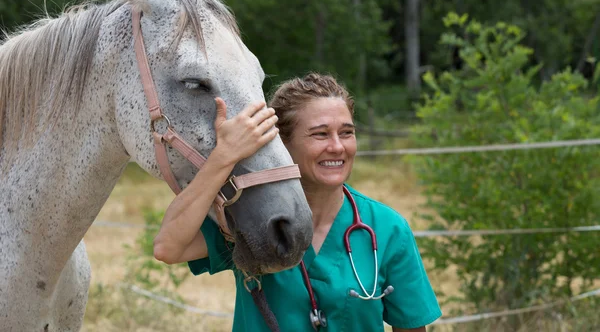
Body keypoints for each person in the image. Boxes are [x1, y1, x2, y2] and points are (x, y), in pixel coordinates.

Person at [154, 73, 442, 331]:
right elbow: (168, 247)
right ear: (282, 143)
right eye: (320, 134)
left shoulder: (388, 229)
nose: (337, 146)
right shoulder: (249, 216)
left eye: (347, 132)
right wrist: (222, 158)